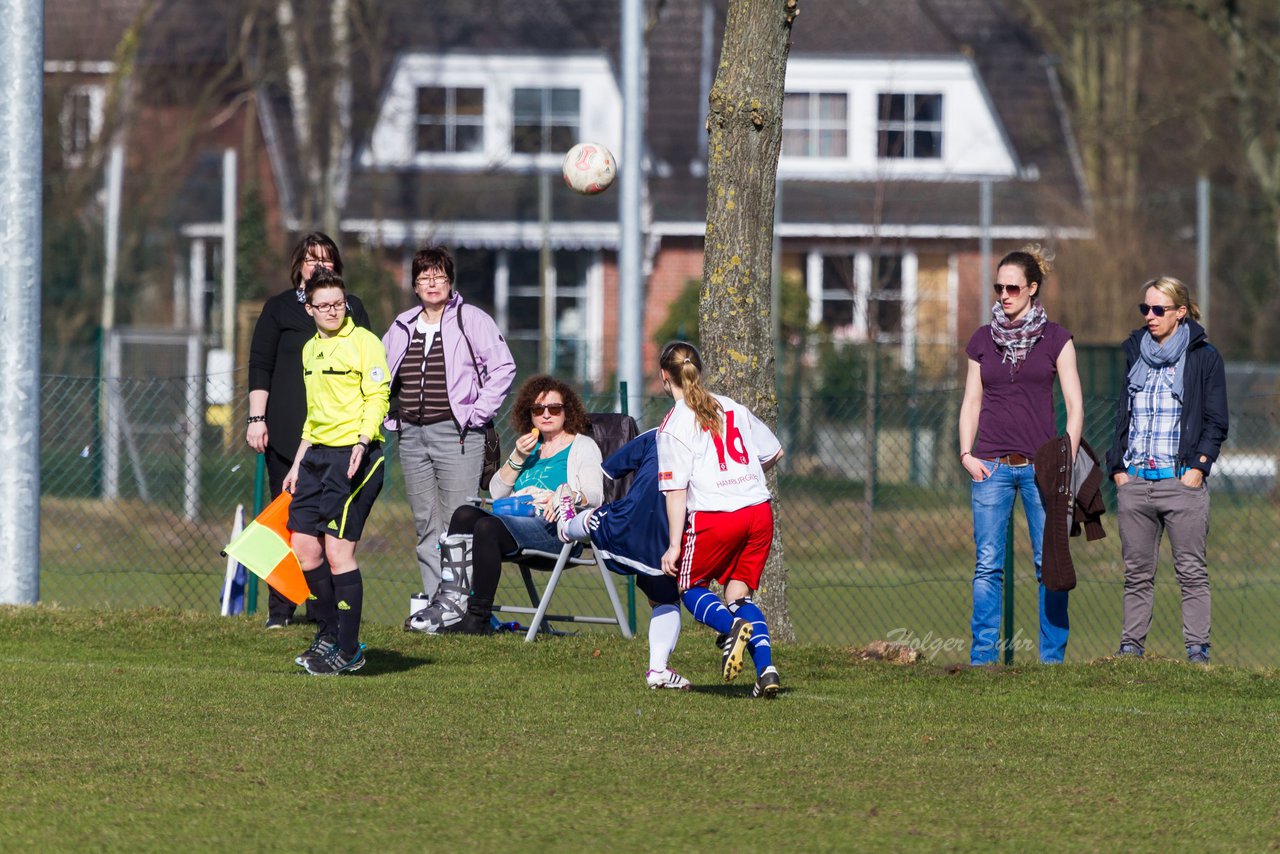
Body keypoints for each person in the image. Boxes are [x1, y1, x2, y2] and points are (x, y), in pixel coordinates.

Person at [958, 246, 1083, 665]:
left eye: (1013, 287)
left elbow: (1074, 404)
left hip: (1040, 470)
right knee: (987, 566)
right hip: (989, 467)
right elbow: (971, 402)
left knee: (1050, 564)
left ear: (1032, 288)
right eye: (999, 287)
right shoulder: (982, 340)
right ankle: (982, 660)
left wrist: (1063, 457)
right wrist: (966, 454)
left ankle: (1052, 661)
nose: (1004, 294)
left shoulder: (1057, 339)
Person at [381, 246, 515, 630]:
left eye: (438, 276)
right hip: (411, 435)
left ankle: (463, 608)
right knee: (426, 523)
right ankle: (435, 607)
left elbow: (503, 367)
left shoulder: (470, 319)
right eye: (424, 278)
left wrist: (477, 413)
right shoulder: (402, 325)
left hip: (459, 435)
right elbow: (379, 374)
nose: (432, 284)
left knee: (459, 523)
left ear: (450, 281)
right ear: (414, 285)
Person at [246, 232, 372, 629]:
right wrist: (256, 419)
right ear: (298, 264)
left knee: (327, 531)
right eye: (311, 258)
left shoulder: (350, 309)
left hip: (337, 442)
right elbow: (260, 365)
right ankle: (280, 611)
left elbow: (369, 365)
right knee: (289, 527)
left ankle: (326, 614)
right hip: (286, 439)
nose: (320, 265)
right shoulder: (279, 308)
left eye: (328, 259)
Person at [1106, 276, 1228, 663]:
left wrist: (1198, 469)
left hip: (1181, 483)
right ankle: (1131, 647)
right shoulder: (1134, 351)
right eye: (1145, 309)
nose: (1150, 316)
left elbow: (1216, 421)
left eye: (1159, 309)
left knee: (1191, 571)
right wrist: (1118, 469)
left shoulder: (1204, 357)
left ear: (1180, 312)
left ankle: (1197, 650)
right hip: (1136, 480)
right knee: (1136, 573)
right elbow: (1122, 414)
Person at [655, 342, 784, 698]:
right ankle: (767, 670)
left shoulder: (672, 425)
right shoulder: (732, 407)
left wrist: (673, 545)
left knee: (690, 588)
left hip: (717, 516)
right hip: (758, 511)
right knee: (737, 593)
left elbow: (676, 492)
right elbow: (774, 452)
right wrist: (743, 478)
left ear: (665, 377)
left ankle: (731, 629)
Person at [434, 375, 604, 635]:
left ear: (567, 411)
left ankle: (477, 617)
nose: (546, 414)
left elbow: (595, 495)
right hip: (518, 519)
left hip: (555, 529)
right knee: (465, 514)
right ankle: (452, 606)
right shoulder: (529, 448)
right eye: (538, 409)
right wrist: (517, 457)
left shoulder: (583, 446)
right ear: (530, 414)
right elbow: (497, 493)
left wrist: (567, 493)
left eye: (554, 409)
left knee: (487, 527)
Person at [283, 268, 390, 674]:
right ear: (309, 308)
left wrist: (363, 442)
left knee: (337, 551)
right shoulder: (309, 350)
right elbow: (314, 415)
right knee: (305, 551)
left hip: (355, 455)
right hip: (316, 457)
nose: (333, 311)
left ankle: (349, 649)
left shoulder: (365, 342)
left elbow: (378, 395)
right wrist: (297, 463)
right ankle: (328, 634)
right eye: (324, 305)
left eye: (339, 303)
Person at [557, 429, 690, 690]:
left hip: (629, 526)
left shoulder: (660, 432)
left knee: (593, 517)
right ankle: (658, 668)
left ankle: (566, 527)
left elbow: (610, 469)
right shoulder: (714, 442)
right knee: (666, 599)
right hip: (668, 542)